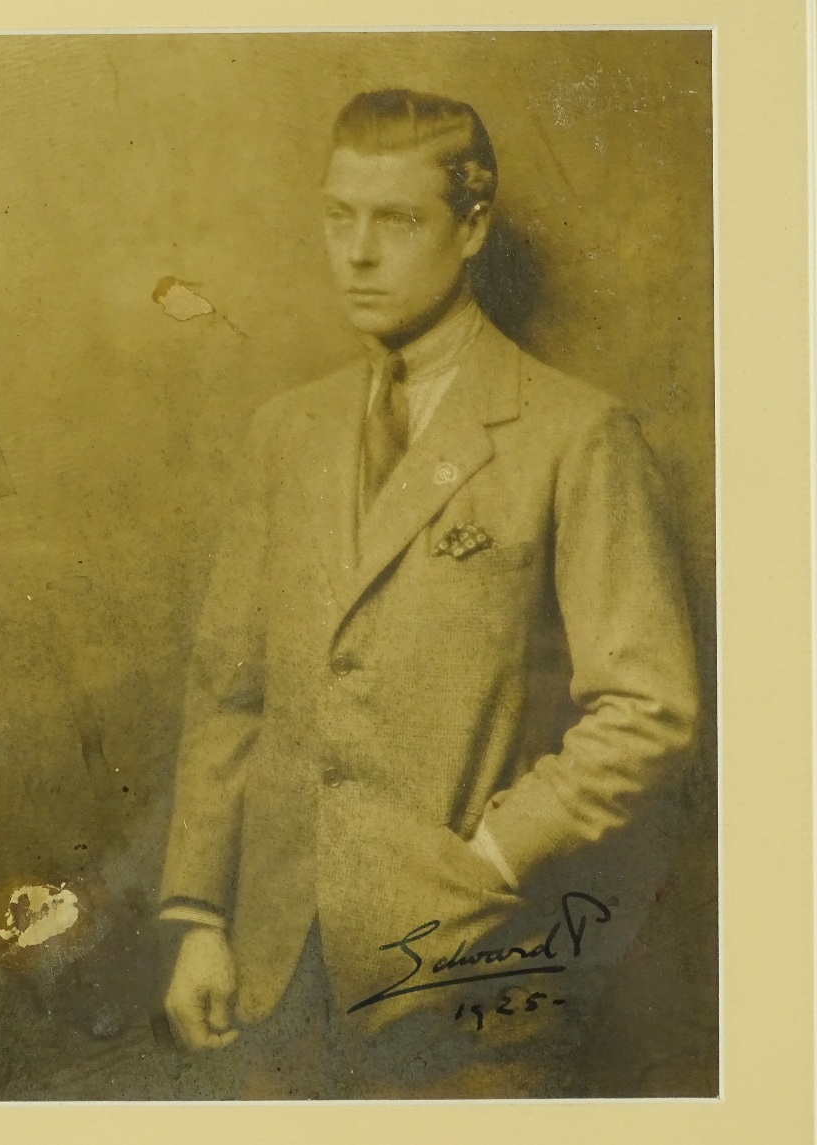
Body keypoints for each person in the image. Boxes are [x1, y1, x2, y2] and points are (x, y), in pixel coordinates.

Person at [157, 88, 699, 1098]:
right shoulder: (286, 433)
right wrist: (198, 917)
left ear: (472, 227)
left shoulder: (572, 433)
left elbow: (648, 710)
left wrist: (492, 858)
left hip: (464, 983)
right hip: (275, 981)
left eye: (396, 219)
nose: (357, 252)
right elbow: (228, 691)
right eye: (338, 215)